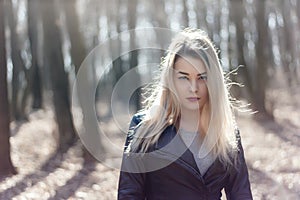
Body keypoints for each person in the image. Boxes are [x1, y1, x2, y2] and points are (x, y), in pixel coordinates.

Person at [118, 28, 253, 199]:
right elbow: (129, 195)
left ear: (213, 81)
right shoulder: (144, 127)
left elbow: (241, 194)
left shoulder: (226, 132)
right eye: (183, 77)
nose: (193, 88)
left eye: (202, 77)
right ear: (171, 79)